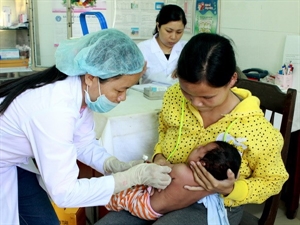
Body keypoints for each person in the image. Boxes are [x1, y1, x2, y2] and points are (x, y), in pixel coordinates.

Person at [96, 33, 288, 225]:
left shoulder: (256, 130)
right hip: (161, 188)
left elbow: (273, 180)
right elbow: (164, 130)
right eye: (187, 92)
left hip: (214, 203)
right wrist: (159, 156)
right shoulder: (174, 96)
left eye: (208, 97)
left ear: (232, 80)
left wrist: (230, 189)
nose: (196, 103)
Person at [0, 28, 172, 225]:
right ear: (91, 77)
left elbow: (83, 143)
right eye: (120, 89)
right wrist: (131, 177)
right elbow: (65, 193)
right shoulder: (54, 108)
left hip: (13, 162)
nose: (122, 98)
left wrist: (114, 165)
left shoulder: (79, 91)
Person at [104, 141, 241, 221]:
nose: (196, 146)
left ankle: (105, 202)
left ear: (202, 164)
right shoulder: (210, 188)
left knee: (119, 196)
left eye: (200, 149)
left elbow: (158, 170)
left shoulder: (181, 170)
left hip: (144, 204)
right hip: (158, 212)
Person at [138, 4, 187, 85]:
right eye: (168, 31)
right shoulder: (142, 49)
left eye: (179, 32)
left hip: (178, 96)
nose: (173, 37)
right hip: (148, 96)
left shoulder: (188, 48)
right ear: (158, 26)